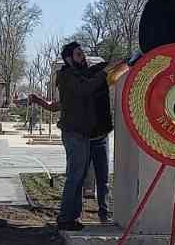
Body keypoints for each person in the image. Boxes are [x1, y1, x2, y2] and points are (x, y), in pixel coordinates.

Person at [32, 42, 123, 231]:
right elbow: (85, 89)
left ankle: (73, 217)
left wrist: (121, 63)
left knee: (80, 177)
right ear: (69, 58)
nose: (83, 57)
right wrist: (105, 74)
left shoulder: (80, 75)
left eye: (83, 53)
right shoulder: (68, 77)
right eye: (78, 54)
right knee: (75, 177)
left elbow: (93, 78)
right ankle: (66, 218)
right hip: (75, 134)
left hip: (83, 133)